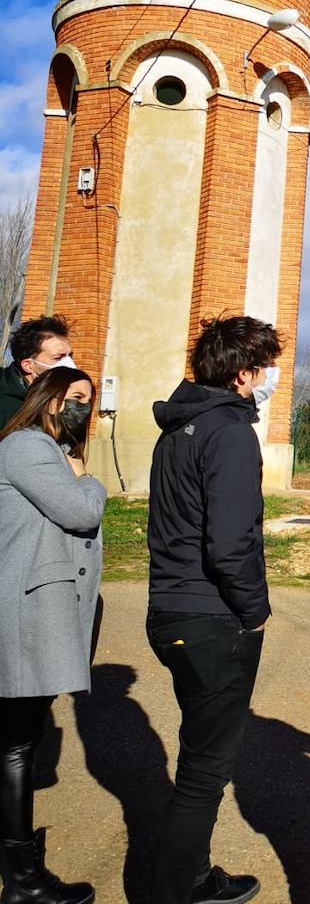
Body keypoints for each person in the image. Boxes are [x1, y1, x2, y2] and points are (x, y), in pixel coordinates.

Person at [146, 315, 282, 904]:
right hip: (212, 618)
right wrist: (254, 612)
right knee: (204, 771)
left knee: (198, 759)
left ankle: (190, 875)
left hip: (171, 610)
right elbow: (230, 544)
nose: (270, 376)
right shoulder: (228, 432)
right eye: (266, 367)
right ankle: (179, 888)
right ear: (244, 375)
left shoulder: (178, 428)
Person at [0, 365, 105, 904]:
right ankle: (22, 879)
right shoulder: (29, 448)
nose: (83, 409)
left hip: (30, 609)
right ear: (49, 398)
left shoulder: (34, 447)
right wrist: (87, 477)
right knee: (16, 745)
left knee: (21, 740)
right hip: (24, 613)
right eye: (75, 398)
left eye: (90, 399)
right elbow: (78, 512)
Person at [0, 316, 75, 431]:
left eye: (69, 356)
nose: (69, 363)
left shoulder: (51, 398)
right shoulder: (7, 409)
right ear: (29, 366)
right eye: (58, 357)